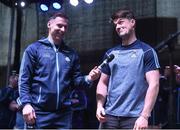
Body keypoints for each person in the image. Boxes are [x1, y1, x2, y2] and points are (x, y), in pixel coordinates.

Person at [18, 12, 100, 129]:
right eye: (59, 25)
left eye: (65, 27)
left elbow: (76, 82)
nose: (62, 29)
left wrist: (89, 78)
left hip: (64, 114)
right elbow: (24, 80)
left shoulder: (71, 54)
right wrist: (26, 104)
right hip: (39, 113)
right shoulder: (34, 49)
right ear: (49, 24)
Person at [96, 9, 160, 129]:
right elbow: (102, 83)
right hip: (109, 116)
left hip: (135, 117)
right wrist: (99, 106)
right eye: (116, 24)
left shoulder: (147, 51)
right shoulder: (111, 53)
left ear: (132, 22)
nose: (118, 26)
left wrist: (145, 116)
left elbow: (154, 84)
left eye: (121, 22)